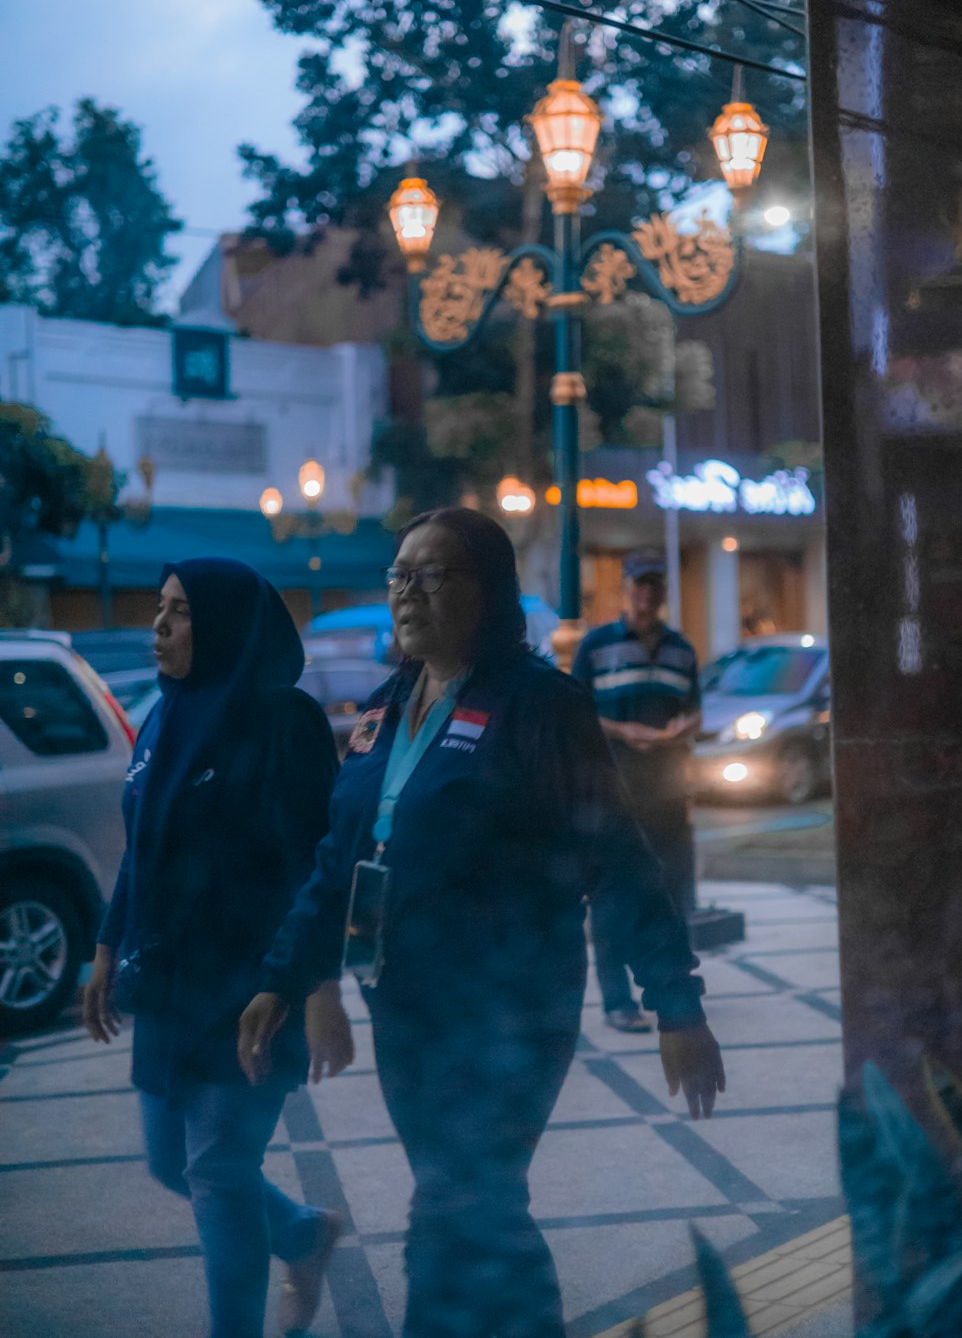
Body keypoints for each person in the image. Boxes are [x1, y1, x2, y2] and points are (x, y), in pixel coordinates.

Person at [238, 508, 724, 1338]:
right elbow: (340, 859)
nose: (408, 593)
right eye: (399, 575)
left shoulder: (541, 705)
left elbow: (619, 859)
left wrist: (676, 1004)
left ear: (489, 592)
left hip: (510, 1009)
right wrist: (285, 977)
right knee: (456, 1195)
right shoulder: (388, 706)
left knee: (466, 1199)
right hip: (407, 1004)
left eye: (433, 576)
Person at [82, 558, 347, 1338]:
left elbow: (317, 867)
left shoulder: (282, 722)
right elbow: (146, 845)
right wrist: (106, 944)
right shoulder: (167, 713)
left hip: (249, 989)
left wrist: (314, 988)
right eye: (158, 608)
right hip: (168, 984)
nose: (158, 627)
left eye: (180, 612)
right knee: (172, 1162)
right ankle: (303, 1232)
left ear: (228, 625)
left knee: (219, 1174)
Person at [572, 552, 701, 1033]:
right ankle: (616, 1000)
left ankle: (672, 991)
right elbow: (576, 715)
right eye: (639, 585)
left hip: (668, 793)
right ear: (624, 590)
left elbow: (695, 710)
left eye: (655, 586)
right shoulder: (596, 646)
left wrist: (684, 725)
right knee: (610, 900)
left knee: (672, 895)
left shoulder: (682, 649)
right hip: (612, 794)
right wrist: (625, 731)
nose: (647, 594)